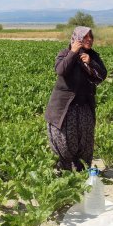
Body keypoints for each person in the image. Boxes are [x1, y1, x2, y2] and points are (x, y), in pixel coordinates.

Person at [45, 26, 107, 172]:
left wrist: (91, 62)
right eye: (85, 37)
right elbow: (61, 70)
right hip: (64, 109)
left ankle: (81, 172)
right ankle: (63, 173)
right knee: (64, 143)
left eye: (91, 37)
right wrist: (73, 53)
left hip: (84, 106)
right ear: (77, 38)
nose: (89, 40)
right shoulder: (65, 54)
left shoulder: (93, 56)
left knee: (84, 142)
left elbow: (102, 75)